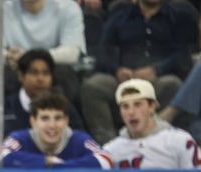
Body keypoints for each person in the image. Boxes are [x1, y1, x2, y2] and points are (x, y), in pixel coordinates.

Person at [80, 0, 197, 144]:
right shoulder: (120, 16)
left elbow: (183, 54)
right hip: (122, 80)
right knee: (93, 86)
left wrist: (157, 70)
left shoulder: (178, 17)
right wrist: (117, 69)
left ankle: (156, 141)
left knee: (172, 84)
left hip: (158, 80)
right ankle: (108, 144)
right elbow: (103, 49)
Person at [0, 0, 85, 106]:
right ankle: (1, 121)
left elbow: (72, 53)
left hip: (52, 67)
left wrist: (28, 57)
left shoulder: (68, 7)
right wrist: (8, 56)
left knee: (63, 73)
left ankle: (64, 119)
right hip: (17, 68)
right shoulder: (2, 9)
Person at [104, 79, 200, 169]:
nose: (131, 112)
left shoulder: (180, 141)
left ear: (152, 106)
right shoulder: (111, 150)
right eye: (125, 107)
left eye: (138, 104)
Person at [0, 92, 113, 168]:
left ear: (66, 120)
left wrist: (61, 167)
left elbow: (105, 159)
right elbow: (1, 158)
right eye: (45, 118)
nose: (52, 125)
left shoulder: (79, 139)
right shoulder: (19, 139)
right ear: (33, 121)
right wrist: (47, 161)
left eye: (58, 118)